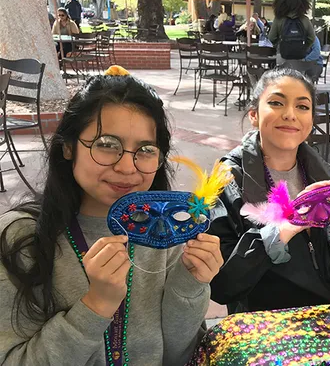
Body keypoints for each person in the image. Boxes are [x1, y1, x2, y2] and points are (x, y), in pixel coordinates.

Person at [0, 66, 222, 365]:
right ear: (68, 147)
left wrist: (190, 284)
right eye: (107, 145)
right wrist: (96, 305)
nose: (127, 168)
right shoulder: (20, 239)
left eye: (145, 150)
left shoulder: (164, 233)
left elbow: (179, 355)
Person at [209, 68, 330, 313]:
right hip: (267, 321)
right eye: (276, 103)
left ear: (311, 120)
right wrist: (282, 230)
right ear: (253, 114)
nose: (290, 115)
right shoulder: (228, 181)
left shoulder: (328, 179)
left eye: (302, 107)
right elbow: (222, 286)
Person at [268, 0, 315, 64]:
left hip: (282, 55)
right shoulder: (305, 20)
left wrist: (279, 45)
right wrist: (303, 47)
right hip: (299, 56)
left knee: (282, 74)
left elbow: (271, 38)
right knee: (298, 74)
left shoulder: (279, 19)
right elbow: (312, 38)